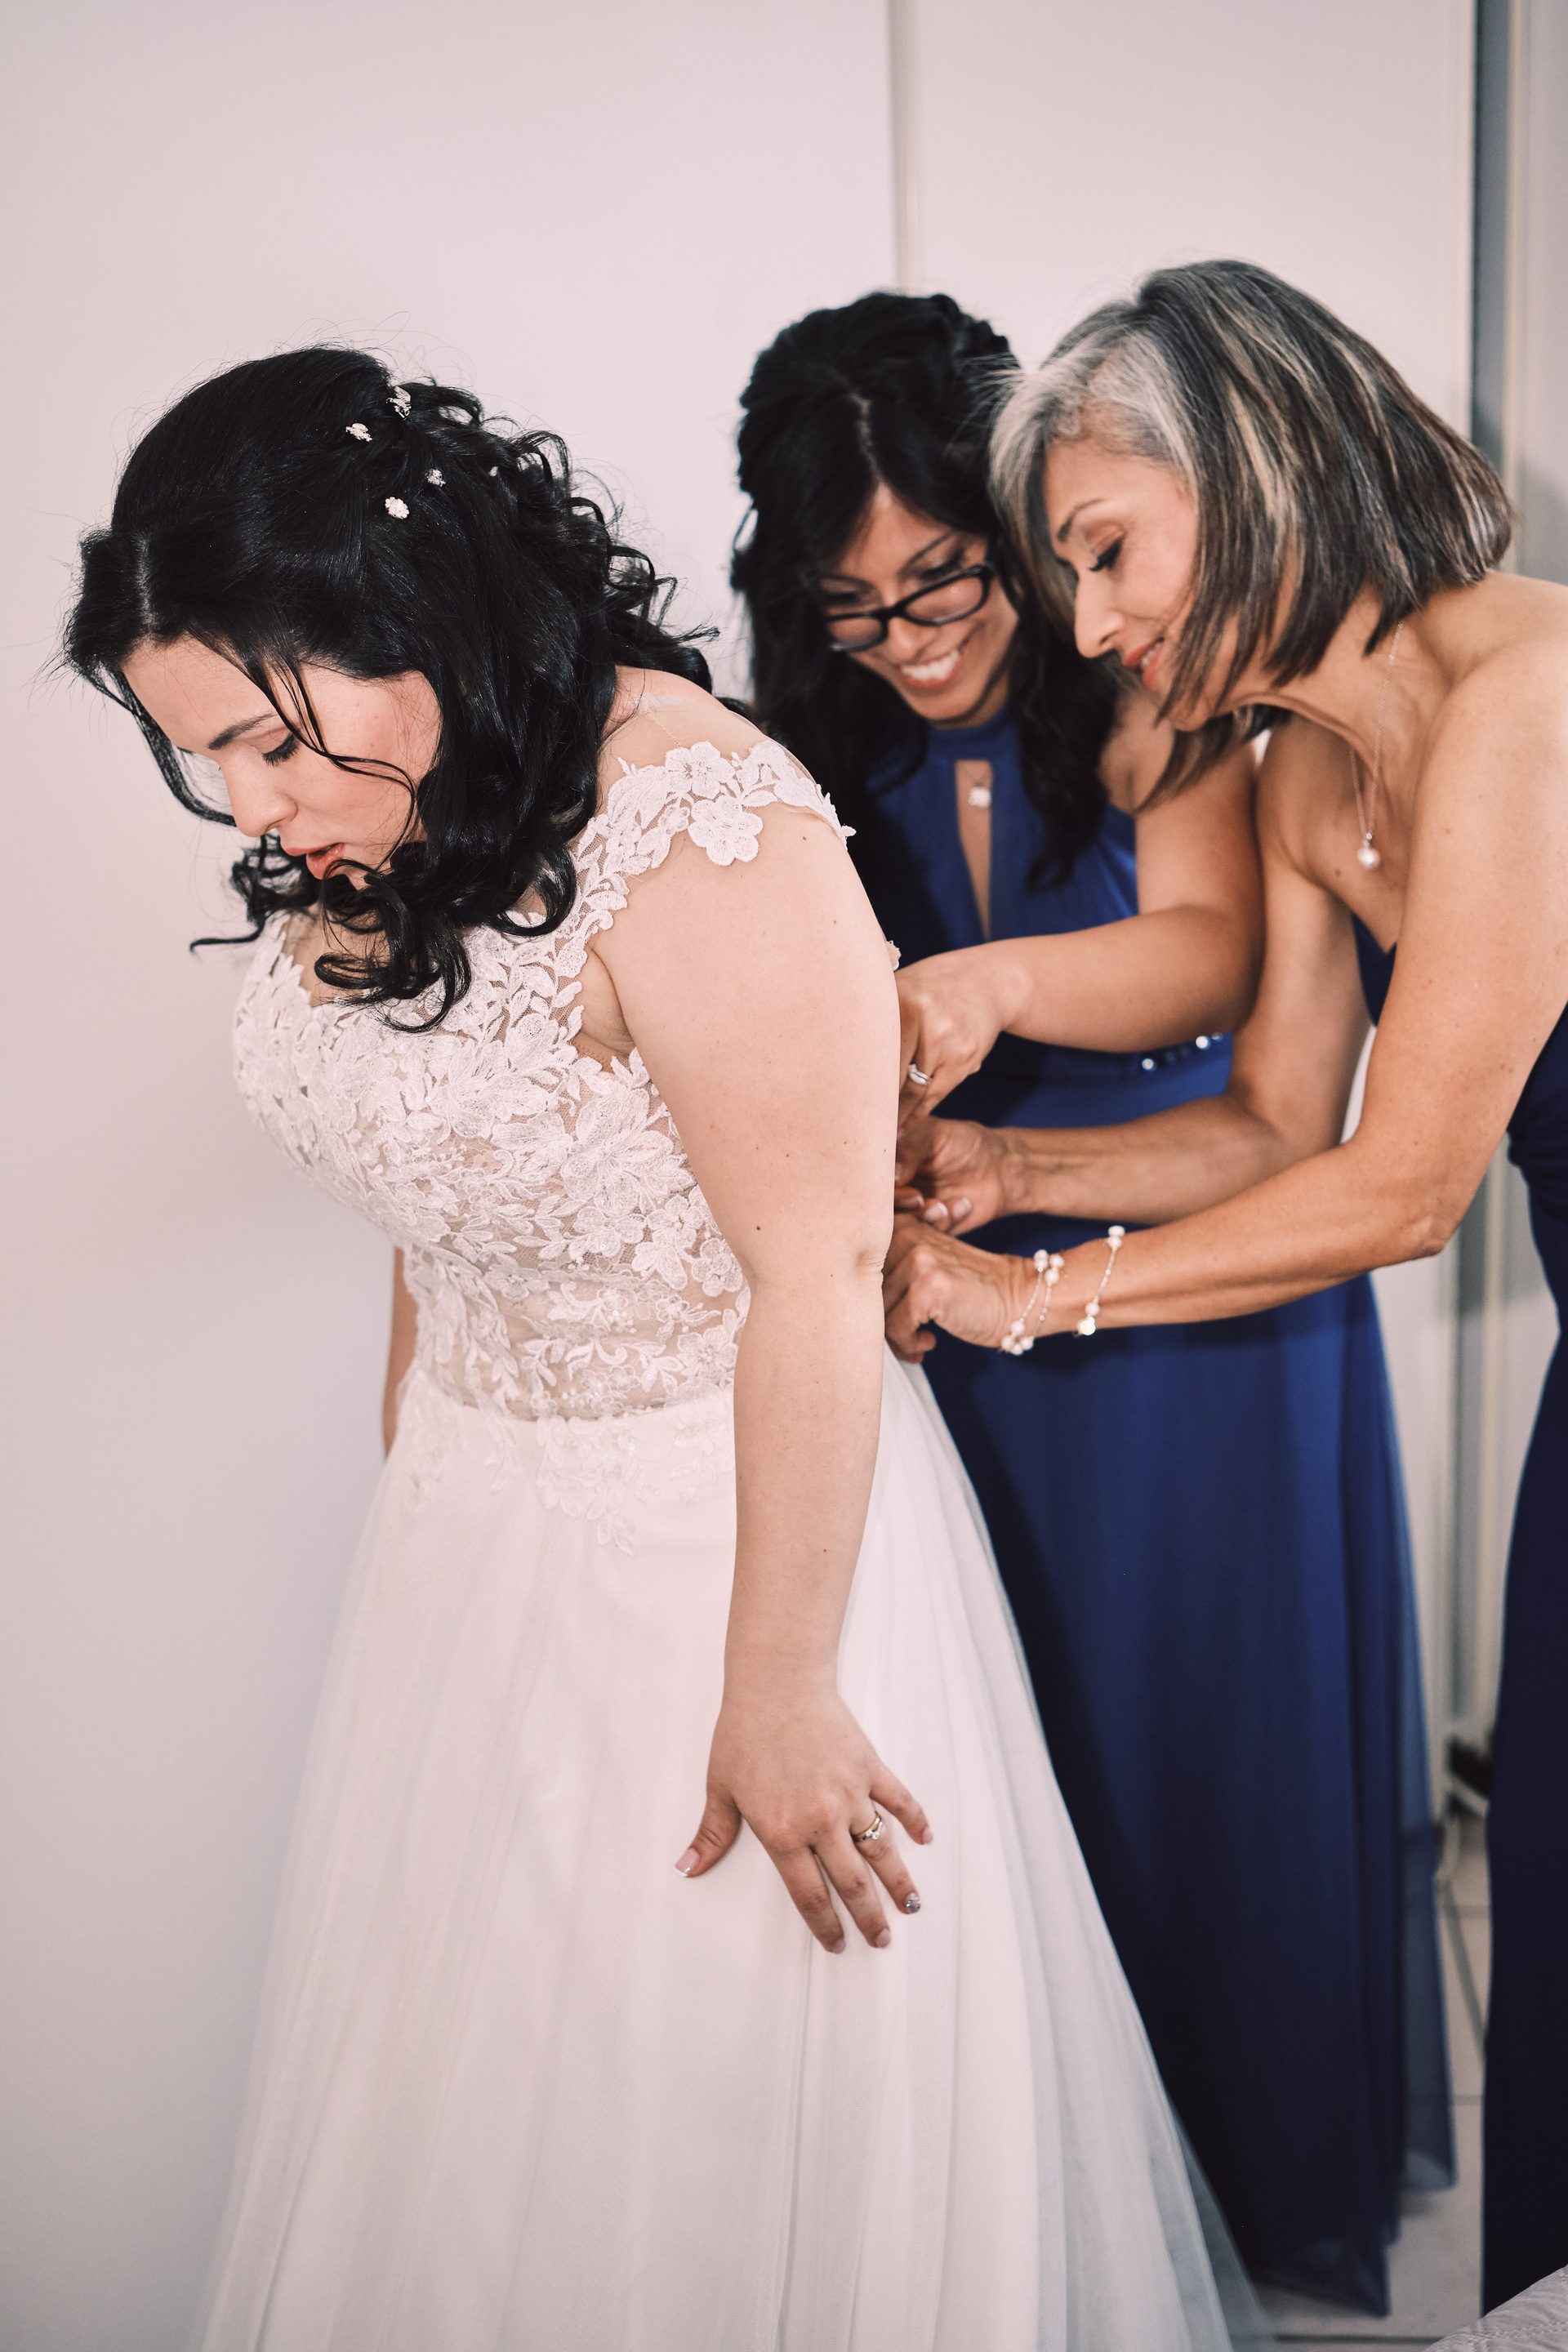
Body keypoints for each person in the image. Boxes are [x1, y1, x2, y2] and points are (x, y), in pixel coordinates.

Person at [66, 349, 1266, 2352]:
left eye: (270, 741)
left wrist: (777, 1689)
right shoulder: (398, 811)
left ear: (404, 610)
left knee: (699, 2108)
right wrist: (421, 1489)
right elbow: (441, 1192)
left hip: (723, 1551)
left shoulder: (699, 822)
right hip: (473, 1538)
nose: (254, 809)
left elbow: (818, 1275)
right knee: (471, 2137)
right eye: (209, 762)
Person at [734, 291, 1450, 2314]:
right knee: (1019, 1740)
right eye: (852, 606)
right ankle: (1039, 2218)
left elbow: (1219, 961)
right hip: (959, 1289)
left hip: (1207, 1277)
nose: (908, 636)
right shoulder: (803, 747)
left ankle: (1230, 2190)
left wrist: (992, 994)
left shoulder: (1170, 682)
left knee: (1204, 1738)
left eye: (944, 581)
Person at [885, 256, 1568, 2316]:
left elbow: (1408, 1184)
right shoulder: (1298, 778)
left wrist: (1030, 1299)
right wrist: (1012, 1175)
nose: (1091, 624)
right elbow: (1279, 1125)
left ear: (1258, 459)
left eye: (1107, 550)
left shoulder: (1536, 698)